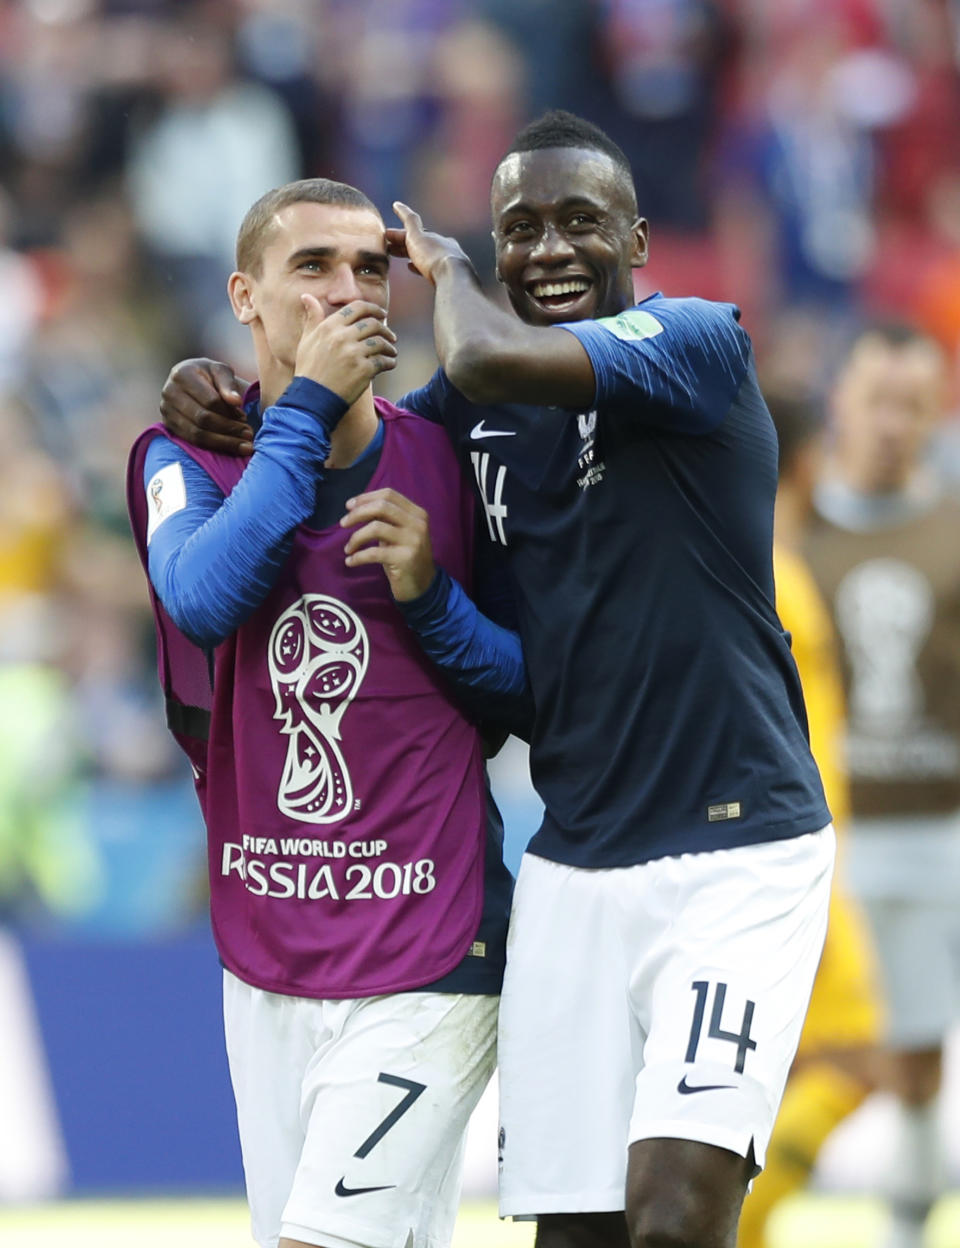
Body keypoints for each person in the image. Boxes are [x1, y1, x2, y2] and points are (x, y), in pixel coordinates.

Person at [159, 111, 834, 1248]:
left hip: (736, 853)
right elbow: (354, 460)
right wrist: (215, 402)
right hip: (570, 864)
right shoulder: (470, 424)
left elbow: (475, 353)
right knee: (571, 1235)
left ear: (639, 236)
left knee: (672, 1219)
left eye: (580, 222)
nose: (550, 249)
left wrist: (457, 266)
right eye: (520, 228)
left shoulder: (696, 340)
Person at [127, 177, 524, 1248]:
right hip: (270, 951)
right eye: (312, 267)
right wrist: (301, 411)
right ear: (245, 298)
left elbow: (527, 692)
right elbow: (204, 597)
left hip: (433, 942)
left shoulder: (452, 456)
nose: (350, 291)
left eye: (370, 268)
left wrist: (433, 599)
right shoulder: (183, 455)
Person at [804, 323, 960, 1248]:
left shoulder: (953, 526)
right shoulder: (793, 530)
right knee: (848, 1049)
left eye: (915, 404)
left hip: (939, 827)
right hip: (830, 833)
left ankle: (908, 1222)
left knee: (918, 1054)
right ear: (841, 403)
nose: (894, 423)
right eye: (878, 401)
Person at [736, 392, 885, 1248]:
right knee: (858, 1055)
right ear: (803, 462)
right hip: (799, 851)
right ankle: (731, 1228)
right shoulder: (778, 575)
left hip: (791, 845)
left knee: (782, 1071)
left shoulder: (765, 562)